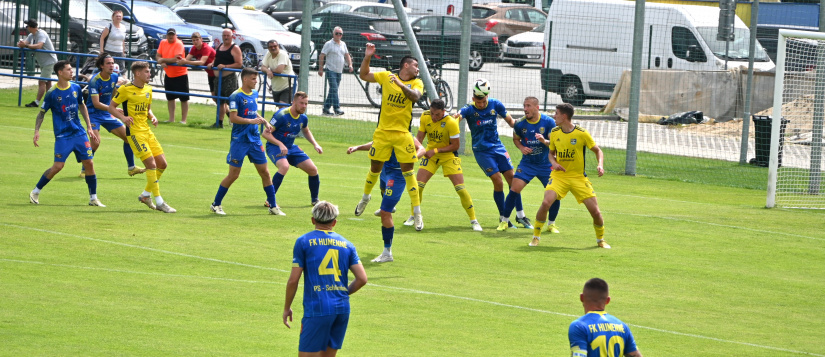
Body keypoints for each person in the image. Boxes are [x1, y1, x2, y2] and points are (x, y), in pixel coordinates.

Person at [283, 201, 368, 357]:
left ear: (313, 220)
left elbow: (293, 280)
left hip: (318, 308)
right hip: (342, 309)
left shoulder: (303, 241)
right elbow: (362, 278)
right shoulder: (347, 245)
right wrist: (342, 293)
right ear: (334, 222)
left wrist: (286, 307)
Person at [355, 43, 424, 231]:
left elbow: (415, 97)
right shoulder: (386, 76)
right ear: (406, 65)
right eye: (416, 65)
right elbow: (364, 75)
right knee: (375, 169)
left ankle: (417, 213)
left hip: (403, 134)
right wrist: (368, 56)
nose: (418, 69)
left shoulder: (416, 83)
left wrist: (401, 85)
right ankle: (365, 198)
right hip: (383, 133)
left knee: (409, 172)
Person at [456, 79, 532, 229]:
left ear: (487, 97)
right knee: (498, 181)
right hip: (482, 151)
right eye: (478, 102)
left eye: (484, 101)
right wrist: (452, 119)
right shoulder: (469, 109)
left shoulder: (495, 104)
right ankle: (504, 218)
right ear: (473, 99)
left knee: (513, 180)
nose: (481, 104)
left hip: (498, 147)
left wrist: (525, 125)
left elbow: (511, 122)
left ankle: (521, 216)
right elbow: (457, 117)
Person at [531, 103, 606, 248]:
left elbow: (598, 151)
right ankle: (535, 237)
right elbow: (551, 154)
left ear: (564, 116)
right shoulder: (554, 132)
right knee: (546, 203)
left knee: (595, 211)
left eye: (556, 113)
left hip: (578, 177)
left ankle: (600, 240)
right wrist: (554, 163)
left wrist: (600, 165)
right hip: (559, 176)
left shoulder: (581, 133)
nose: (554, 116)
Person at [29, 60, 103, 207]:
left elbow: (82, 106)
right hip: (63, 136)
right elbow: (41, 113)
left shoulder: (76, 87)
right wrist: (36, 131)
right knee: (58, 166)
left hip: (79, 133)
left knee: (89, 163)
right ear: (60, 73)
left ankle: (93, 198)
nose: (72, 72)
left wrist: (89, 127)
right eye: (69, 70)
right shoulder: (51, 93)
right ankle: (36, 191)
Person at [109, 61, 177, 213]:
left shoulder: (148, 89)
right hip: (134, 133)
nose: (149, 74)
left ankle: (145, 195)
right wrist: (123, 118)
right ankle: (159, 202)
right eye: (147, 72)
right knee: (151, 165)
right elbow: (111, 107)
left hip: (147, 131)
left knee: (162, 164)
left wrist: (152, 116)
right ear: (138, 74)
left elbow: (147, 109)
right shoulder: (125, 89)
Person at [210, 68, 280, 216]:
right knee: (234, 175)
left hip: (254, 140)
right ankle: (216, 204)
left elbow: (253, 112)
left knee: (265, 173)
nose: (256, 81)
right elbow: (233, 118)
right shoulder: (236, 96)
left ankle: (273, 206)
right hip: (240, 141)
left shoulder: (254, 94)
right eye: (254, 79)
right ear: (245, 79)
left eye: (257, 79)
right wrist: (251, 121)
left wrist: (265, 121)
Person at [405, 99, 482, 232]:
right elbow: (419, 137)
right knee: (418, 186)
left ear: (443, 112)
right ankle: (414, 216)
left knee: (460, 189)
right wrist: (417, 152)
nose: (434, 117)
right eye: (433, 113)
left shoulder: (451, 123)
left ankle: (473, 220)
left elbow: (455, 145)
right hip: (430, 155)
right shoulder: (425, 116)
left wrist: (435, 150)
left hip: (448, 155)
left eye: (437, 114)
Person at [347, 136, 423, 263]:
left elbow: (422, 148)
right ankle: (379, 202)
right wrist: (358, 147)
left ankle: (387, 253)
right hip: (384, 170)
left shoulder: (406, 135)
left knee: (384, 212)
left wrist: (412, 157)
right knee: (382, 189)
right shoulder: (387, 131)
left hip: (398, 174)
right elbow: (375, 143)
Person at [497, 96, 561, 232]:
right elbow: (516, 139)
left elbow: (555, 143)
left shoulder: (548, 122)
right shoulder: (520, 124)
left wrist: (544, 141)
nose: (525, 109)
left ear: (537, 108)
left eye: (528, 106)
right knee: (514, 189)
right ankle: (504, 221)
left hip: (545, 164)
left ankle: (551, 224)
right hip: (527, 164)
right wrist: (521, 148)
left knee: (554, 194)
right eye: (524, 106)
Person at [82, 53, 145, 178]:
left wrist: (114, 104)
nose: (112, 65)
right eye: (108, 63)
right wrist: (113, 109)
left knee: (128, 138)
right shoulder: (95, 80)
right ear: (101, 66)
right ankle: (84, 170)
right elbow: (96, 103)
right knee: (95, 143)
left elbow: (114, 91)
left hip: (107, 113)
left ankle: (131, 168)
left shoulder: (114, 77)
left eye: (112, 63)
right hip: (93, 114)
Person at [262, 91, 323, 212]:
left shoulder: (303, 118)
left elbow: (306, 131)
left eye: (306, 103)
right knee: (284, 167)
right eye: (301, 103)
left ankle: (315, 200)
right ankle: (270, 200)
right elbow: (265, 133)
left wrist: (315, 144)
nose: (304, 106)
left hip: (291, 147)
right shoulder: (281, 115)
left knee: (313, 169)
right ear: (293, 102)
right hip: (274, 146)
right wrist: (279, 144)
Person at [569, 278, 643, 357]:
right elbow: (636, 355)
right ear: (607, 300)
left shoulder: (579, 326)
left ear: (581, 298)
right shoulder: (623, 327)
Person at [17, 19, 58, 108]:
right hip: (43, 62)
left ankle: (36, 102)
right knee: (47, 82)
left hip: (49, 61)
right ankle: (51, 101)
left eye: (27, 26)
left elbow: (39, 45)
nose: (26, 28)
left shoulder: (41, 34)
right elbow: (25, 43)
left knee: (42, 81)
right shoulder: (32, 35)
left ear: (31, 27)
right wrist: (20, 44)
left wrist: (26, 45)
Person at [156, 28, 189, 124]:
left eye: (172, 34)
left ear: (176, 35)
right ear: (166, 35)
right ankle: (171, 119)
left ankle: (183, 120)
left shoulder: (179, 43)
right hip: (169, 74)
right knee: (170, 97)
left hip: (180, 74)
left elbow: (176, 59)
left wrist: (163, 60)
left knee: (184, 98)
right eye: (169, 34)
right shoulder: (163, 42)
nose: (171, 36)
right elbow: (158, 55)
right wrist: (160, 60)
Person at [318, 26, 353, 116]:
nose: (338, 35)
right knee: (334, 89)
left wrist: (350, 65)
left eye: (340, 34)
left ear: (342, 35)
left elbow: (347, 55)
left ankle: (326, 108)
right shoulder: (328, 44)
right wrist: (320, 69)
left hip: (339, 70)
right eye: (336, 33)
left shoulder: (343, 44)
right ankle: (337, 108)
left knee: (333, 90)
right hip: (330, 70)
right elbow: (322, 56)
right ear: (333, 34)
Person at [212, 28, 243, 128]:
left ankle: (238, 122)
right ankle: (219, 123)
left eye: (227, 36)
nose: (226, 37)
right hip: (218, 79)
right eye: (224, 35)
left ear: (231, 36)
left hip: (229, 79)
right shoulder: (220, 46)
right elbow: (217, 59)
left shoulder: (235, 48)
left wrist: (225, 66)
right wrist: (212, 64)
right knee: (220, 101)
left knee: (232, 102)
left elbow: (239, 64)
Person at [177, 32, 216, 104]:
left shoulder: (206, 48)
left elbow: (201, 62)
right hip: (210, 74)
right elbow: (187, 59)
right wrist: (181, 61)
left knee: (221, 99)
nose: (195, 42)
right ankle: (229, 114)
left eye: (197, 39)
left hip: (217, 74)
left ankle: (230, 114)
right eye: (193, 40)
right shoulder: (194, 48)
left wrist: (185, 62)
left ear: (201, 39)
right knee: (215, 98)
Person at [261, 39, 295, 107]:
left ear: (278, 46)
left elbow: (279, 70)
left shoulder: (283, 54)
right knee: (280, 107)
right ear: (268, 48)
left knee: (283, 107)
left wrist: (270, 71)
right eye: (271, 47)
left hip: (287, 85)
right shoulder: (268, 54)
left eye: (275, 46)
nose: (273, 48)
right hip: (276, 87)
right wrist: (268, 71)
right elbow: (262, 67)